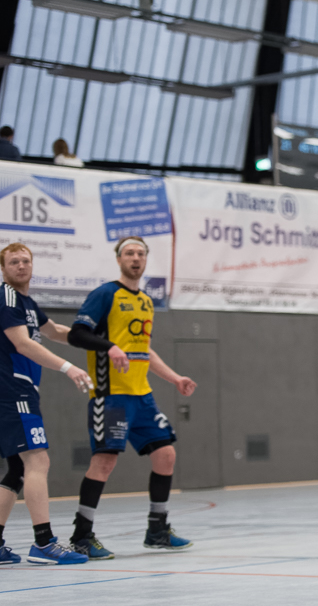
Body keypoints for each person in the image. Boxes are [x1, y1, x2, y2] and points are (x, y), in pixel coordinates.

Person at [66, 236, 198, 559]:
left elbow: (144, 350)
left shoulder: (147, 302)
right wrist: (109, 347)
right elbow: (76, 334)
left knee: (165, 455)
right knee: (105, 461)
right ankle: (81, 536)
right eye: (129, 253)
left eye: (140, 253)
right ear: (119, 259)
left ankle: (157, 529)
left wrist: (175, 378)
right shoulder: (105, 294)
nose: (135, 258)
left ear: (146, 259)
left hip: (142, 396)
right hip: (111, 395)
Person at [0, 243, 92, 565]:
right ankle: (43, 542)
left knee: (17, 469)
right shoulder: (7, 297)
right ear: (3, 268)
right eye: (14, 261)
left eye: (26, 260)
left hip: (20, 392)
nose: (21, 266)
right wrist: (69, 368)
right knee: (38, 461)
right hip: (12, 391)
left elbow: (54, 332)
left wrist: (98, 340)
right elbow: (23, 344)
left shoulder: (27, 302)